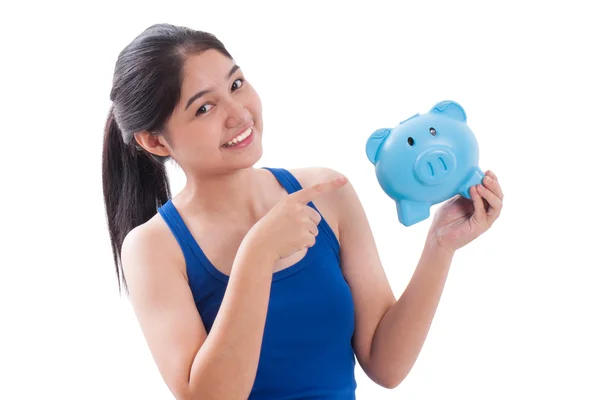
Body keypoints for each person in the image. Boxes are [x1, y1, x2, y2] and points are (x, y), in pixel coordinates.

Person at [101, 23, 504, 400]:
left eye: (236, 84)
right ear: (155, 141)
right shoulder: (153, 247)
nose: (239, 113)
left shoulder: (328, 194)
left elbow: (387, 365)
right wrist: (257, 255)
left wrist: (440, 245)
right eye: (204, 108)